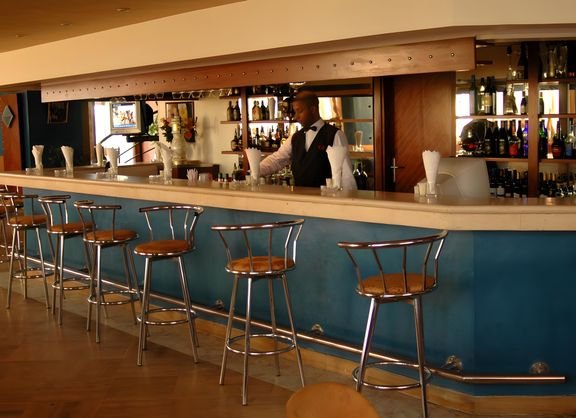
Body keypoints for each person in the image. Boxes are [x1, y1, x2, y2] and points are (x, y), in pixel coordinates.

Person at [259, 91, 357, 190]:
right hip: (300, 197)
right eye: (295, 112)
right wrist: (255, 170)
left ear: (313, 110)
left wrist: (349, 197)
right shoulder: (295, 137)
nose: (296, 116)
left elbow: (346, 176)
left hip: (326, 197)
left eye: (300, 111)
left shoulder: (335, 135)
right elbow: (277, 159)